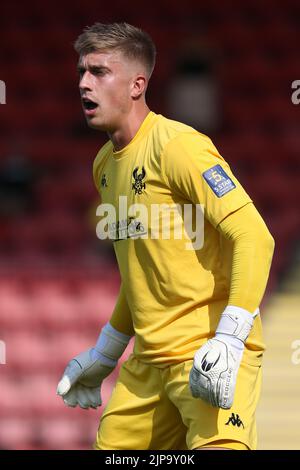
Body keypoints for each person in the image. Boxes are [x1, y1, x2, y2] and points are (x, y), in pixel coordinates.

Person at [57, 22, 274, 450]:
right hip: (147, 366)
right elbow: (141, 270)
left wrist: (230, 337)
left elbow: (254, 236)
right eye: (82, 71)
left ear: (138, 84)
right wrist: (105, 352)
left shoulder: (178, 146)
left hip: (208, 354)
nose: (84, 83)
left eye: (99, 72)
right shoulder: (104, 165)